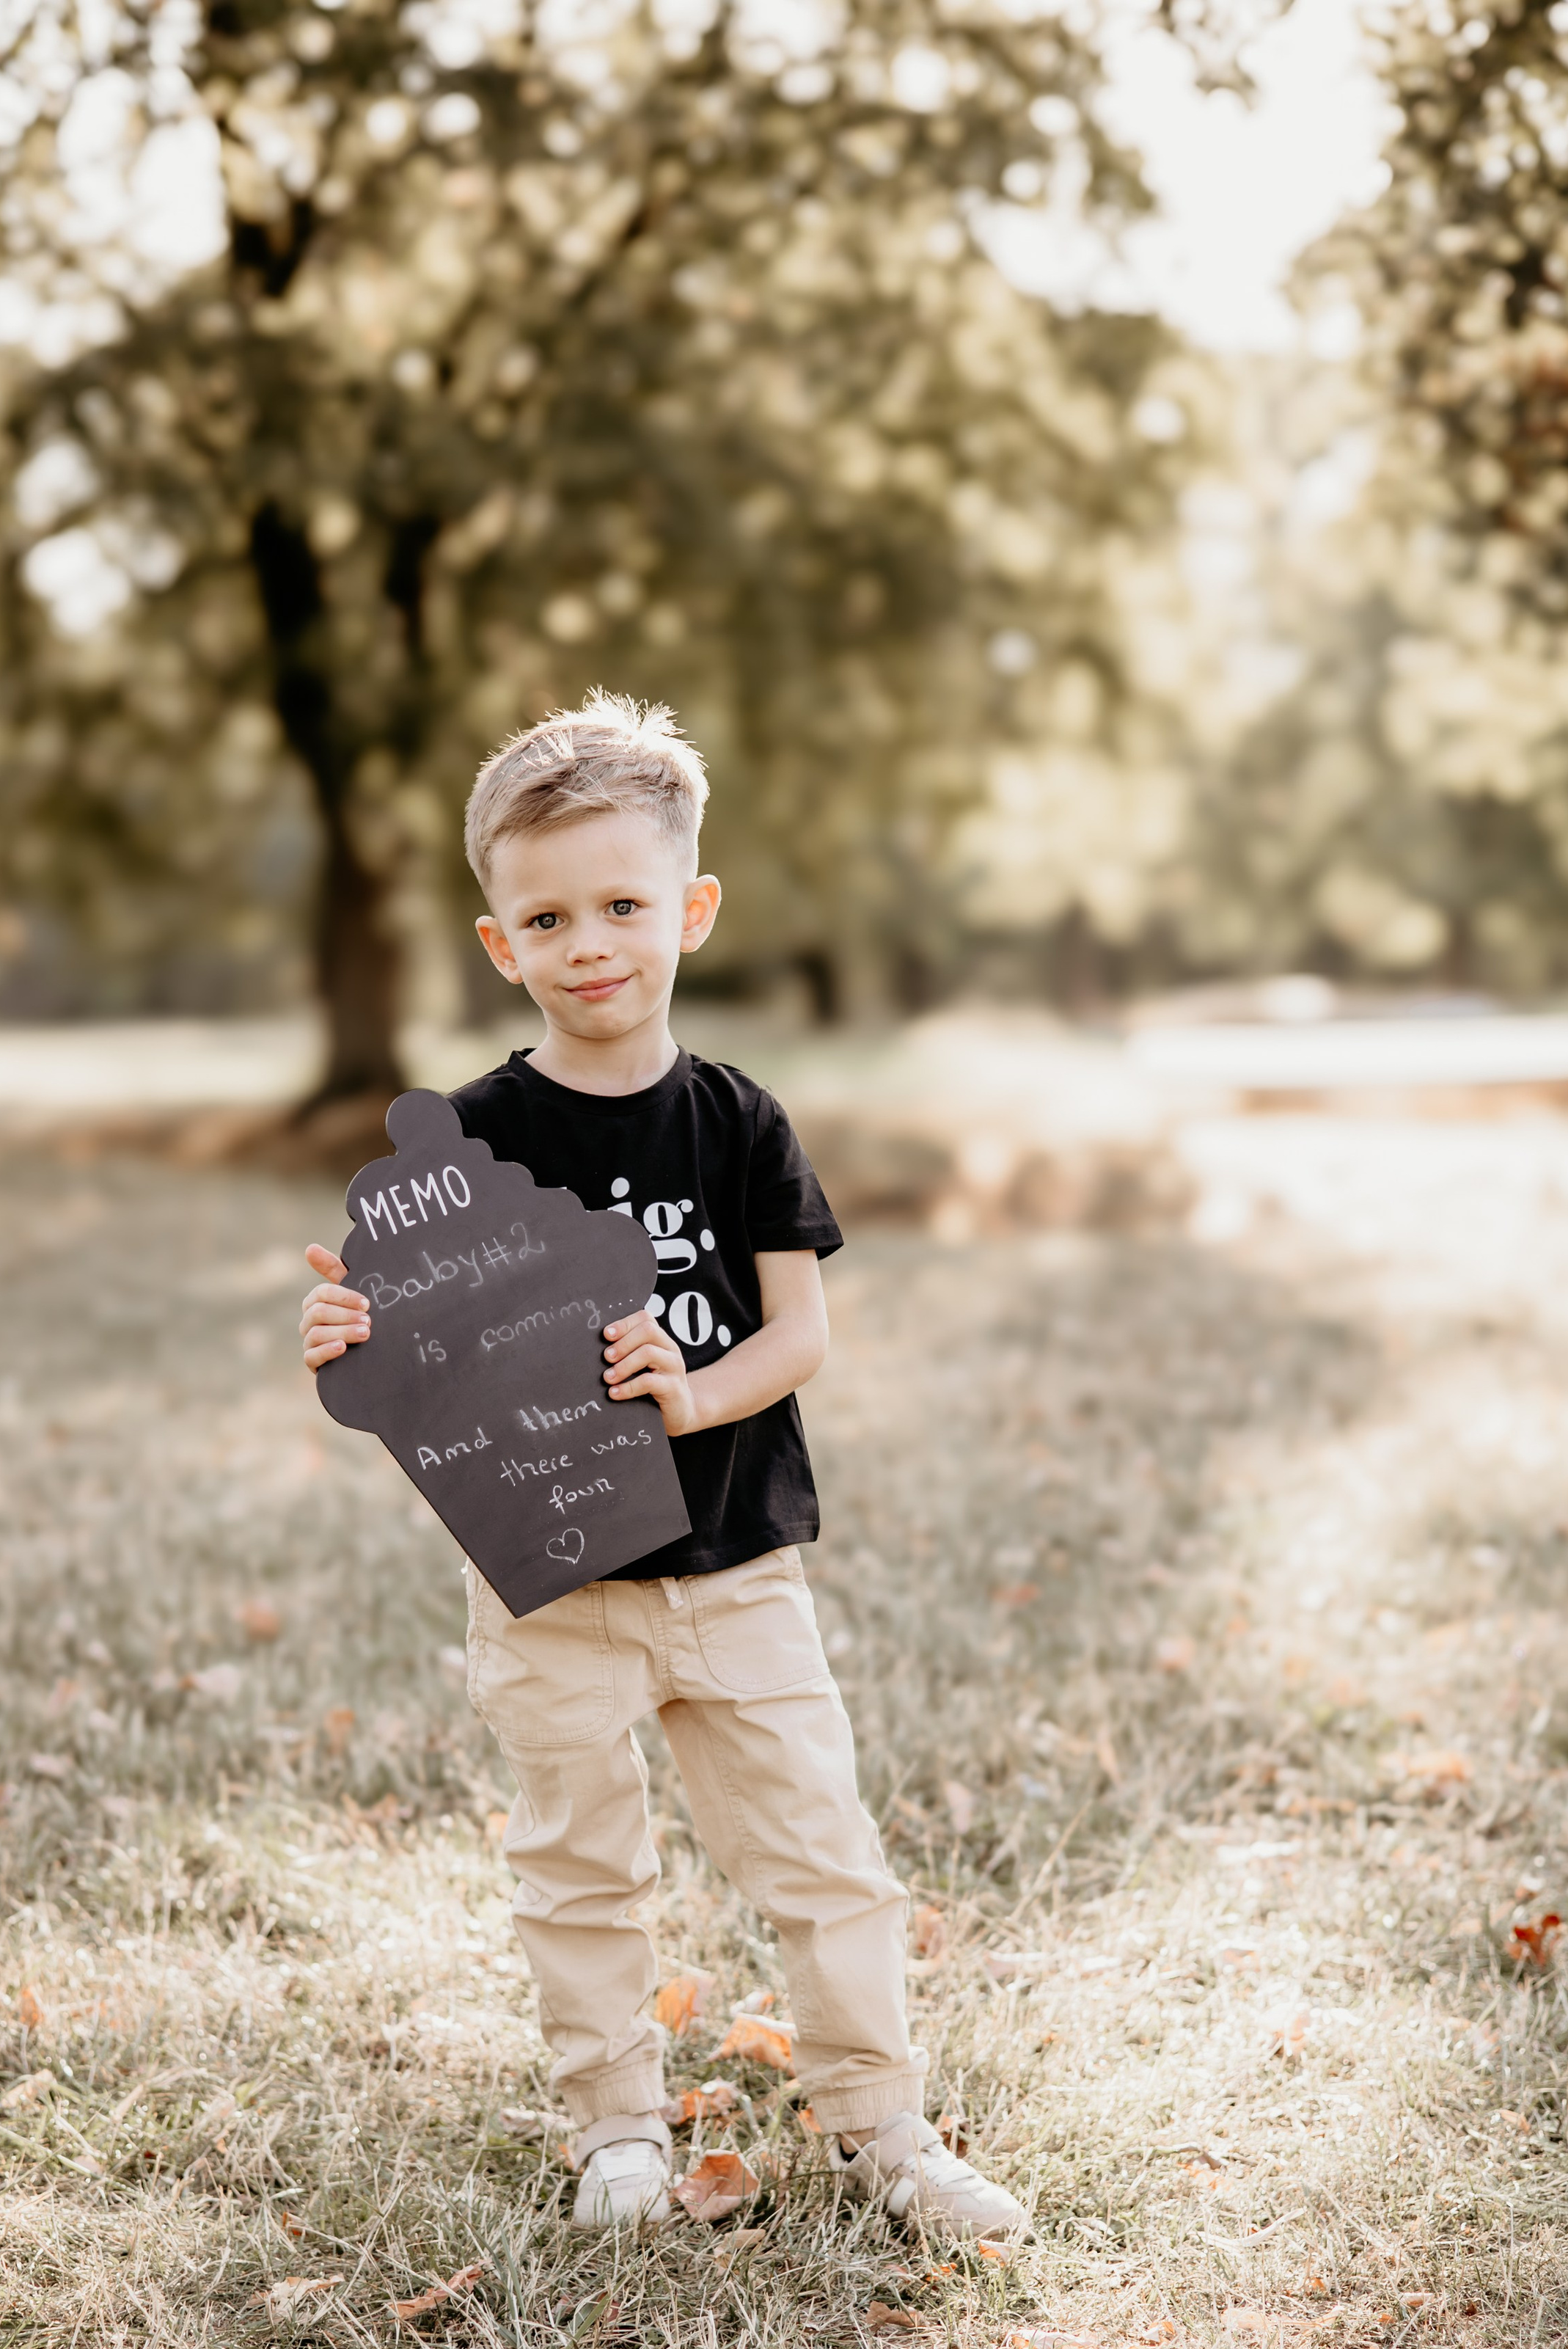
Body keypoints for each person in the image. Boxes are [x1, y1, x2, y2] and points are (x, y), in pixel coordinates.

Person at [300, 692, 1030, 2243]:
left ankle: (881, 2123)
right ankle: (617, 2132)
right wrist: (352, 1331)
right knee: (577, 1864)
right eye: (546, 915)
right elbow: (416, 1358)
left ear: (688, 911)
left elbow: (799, 1335)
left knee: (821, 1856)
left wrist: (693, 1401)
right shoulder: (473, 1144)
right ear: (499, 944)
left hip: (737, 1567)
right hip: (555, 1583)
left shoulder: (736, 1121)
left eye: (622, 905)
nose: (589, 943)